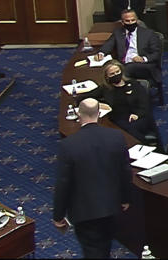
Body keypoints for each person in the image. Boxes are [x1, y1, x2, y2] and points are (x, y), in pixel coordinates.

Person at [53, 98, 132, 258]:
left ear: (78, 114)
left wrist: (58, 215)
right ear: (99, 113)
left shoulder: (68, 145)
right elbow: (125, 171)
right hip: (111, 207)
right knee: (105, 247)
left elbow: (63, 183)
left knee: (93, 252)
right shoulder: (116, 137)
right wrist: (125, 198)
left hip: (85, 213)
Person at [96, 9, 163, 96]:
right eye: (127, 21)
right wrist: (101, 53)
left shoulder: (149, 34)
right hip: (123, 64)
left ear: (137, 20)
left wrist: (143, 59)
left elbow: (156, 54)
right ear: (122, 22)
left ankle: (116, 94)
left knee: (122, 70)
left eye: (133, 20)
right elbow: (109, 44)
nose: (131, 23)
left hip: (145, 66)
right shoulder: (118, 32)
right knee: (110, 69)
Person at [90, 60, 160, 142]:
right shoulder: (105, 88)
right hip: (119, 120)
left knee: (129, 132)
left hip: (139, 117)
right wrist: (97, 104)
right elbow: (83, 98)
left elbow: (145, 103)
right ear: (107, 77)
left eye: (117, 72)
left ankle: (142, 146)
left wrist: (137, 115)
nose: (116, 75)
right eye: (112, 74)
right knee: (121, 131)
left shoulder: (134, 84)